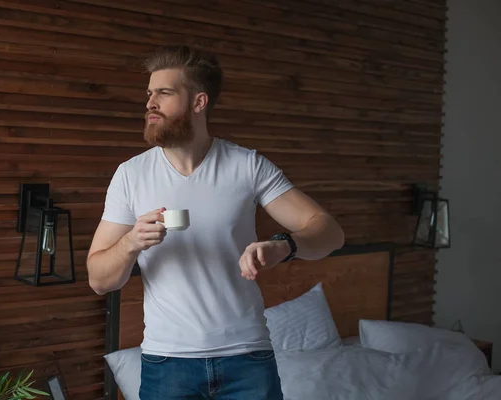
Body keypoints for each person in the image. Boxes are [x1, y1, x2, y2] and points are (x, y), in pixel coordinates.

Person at [87, 45, 345, 400]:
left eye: (164, 93)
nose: (150, 103)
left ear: (199, 102)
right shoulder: (131, 176)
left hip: (248, 360)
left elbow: (330, 232)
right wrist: (132, 242)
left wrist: (284, 246)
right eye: (149, 93)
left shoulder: (247, 166)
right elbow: (99, 280)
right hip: (167, 363)